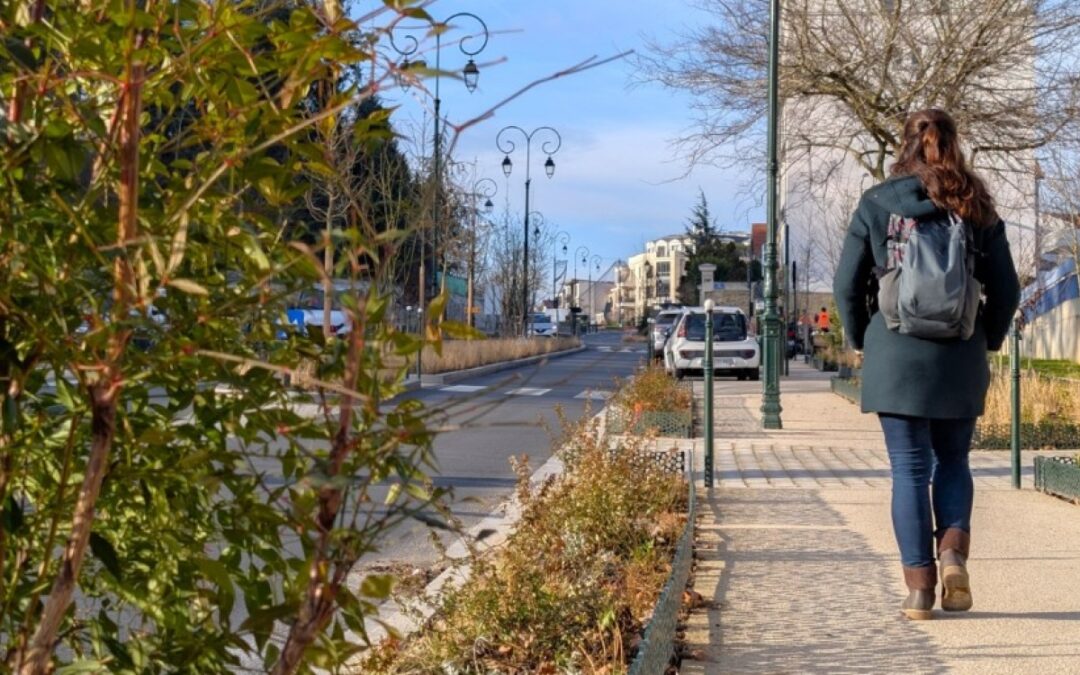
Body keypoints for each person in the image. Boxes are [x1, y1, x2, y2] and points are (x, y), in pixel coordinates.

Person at [833, 109, 1020, 621]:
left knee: (910, 472)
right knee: (955, 461)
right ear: (953, 144)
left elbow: (848, 286)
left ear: (905, 145)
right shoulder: (975, 203)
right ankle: (954, 554)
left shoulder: (877, 203)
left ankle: (919, 590)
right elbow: (1006, 289)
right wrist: (988, 339)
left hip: (896, 356)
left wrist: (861, 338)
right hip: (959, 355)